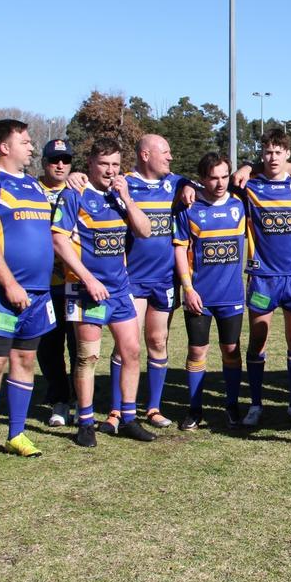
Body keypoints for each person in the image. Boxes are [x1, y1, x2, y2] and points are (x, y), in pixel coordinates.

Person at [0, 119, 58, 472]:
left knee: (25, 363)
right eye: (26, 141)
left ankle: (16, 433)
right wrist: (10, 284)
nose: (32, 147)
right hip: (0, 291)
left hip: (37, 292)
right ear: (5, 147)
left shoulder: (34, 186)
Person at [51, 137, 156, 446]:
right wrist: (88, 279)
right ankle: (84, 421)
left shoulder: (121, 195)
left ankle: (127, 418)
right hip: (85, 290)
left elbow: (145, 230)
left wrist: (126, 197)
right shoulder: (75, 194)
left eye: (115, 164)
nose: (110, 171)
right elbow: (58, 241)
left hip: (120, 289)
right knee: (87, 357)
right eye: (103, 164)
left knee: (132, 352)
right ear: (91, 165)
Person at [241, 129, 291, 427]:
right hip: (263, 277)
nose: (273, 157)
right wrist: (245, 167)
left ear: (287, 155)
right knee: (258, 338)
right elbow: (213, 184)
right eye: (267, 152)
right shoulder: (249, 187)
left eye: (278, 152)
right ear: (262, 155)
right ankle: (255, 403)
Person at [174, 152, 248, 430]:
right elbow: (180, 249)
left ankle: (231, 405)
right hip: (199, 296)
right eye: (213, 178)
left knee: (231, 349)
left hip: (231, 295)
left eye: (224, 177)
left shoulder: (241, 203)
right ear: (202, 179)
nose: (220, 183)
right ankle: (194, 409)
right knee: (197, 351)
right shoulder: (188, 208)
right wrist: (188, 288)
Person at [123, 134, 190, 428]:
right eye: (165, 152)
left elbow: (192, 180)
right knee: (128, 347)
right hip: (131, 280)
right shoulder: (125, 183)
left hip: (164, 279)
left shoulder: (173, 183)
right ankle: (118, 409)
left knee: (158, 341)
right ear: (145, 155)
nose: (170, 157)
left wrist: (188, 185)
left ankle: (153, 407)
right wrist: (76, 176)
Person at [34, 139, 79, 427]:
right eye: (54, 160)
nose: (60, 165)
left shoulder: (79, 189)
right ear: (44, 163)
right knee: (49, 346)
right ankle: (59, 400)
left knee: (79, 345)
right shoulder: (31, 190)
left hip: (75, 282)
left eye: (65, 160)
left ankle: (79, 397)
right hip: (42, 283)